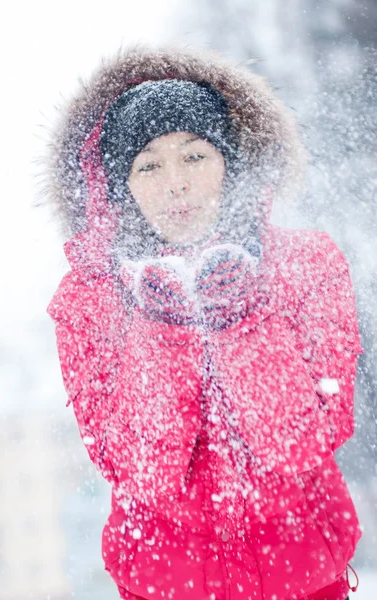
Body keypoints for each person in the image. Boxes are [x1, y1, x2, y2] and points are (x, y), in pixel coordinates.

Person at [45, 45, 363, 600]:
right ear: (121, 191)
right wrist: (164, 321)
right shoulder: (90, 301)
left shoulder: (306, 264)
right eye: (148, 164)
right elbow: (140, 467)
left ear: (231, 162)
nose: (175, 184)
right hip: (167, 587)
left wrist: (237, 317)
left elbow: (303, 442)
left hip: (306, 581)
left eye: (195, 155)